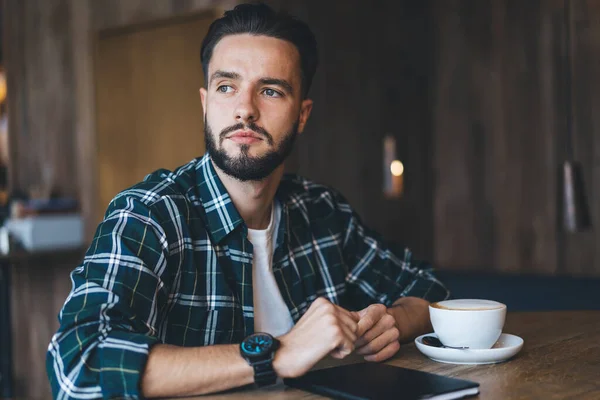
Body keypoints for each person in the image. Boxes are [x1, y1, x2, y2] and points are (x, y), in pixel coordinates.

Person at [46, 3, 449, 399]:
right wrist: (275, 355)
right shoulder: (149, 214)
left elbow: (429, 290)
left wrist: (393, 321)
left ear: (302, 115)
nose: (245, 110)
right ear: (205, 103)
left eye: (271, 90)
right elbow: (79, 366)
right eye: (227, 87)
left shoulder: (322, 211)